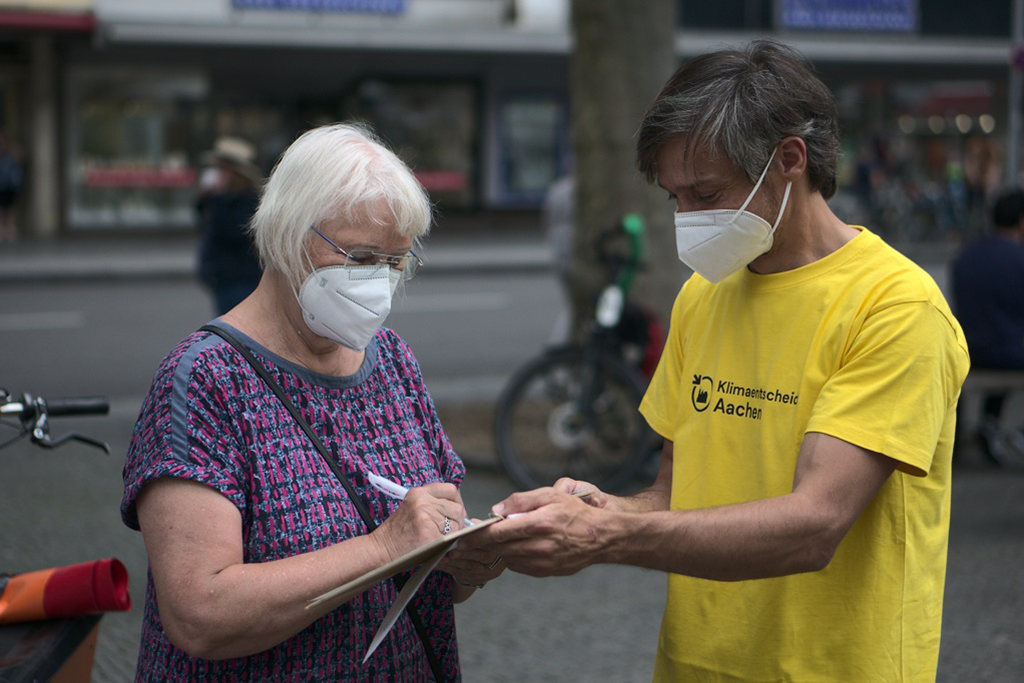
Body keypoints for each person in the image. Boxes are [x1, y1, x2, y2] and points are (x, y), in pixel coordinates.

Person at [469, 40, 969, 681]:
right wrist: (597, 508)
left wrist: (611, 539)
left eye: (706, 193)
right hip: (696, 664)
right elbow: (676, 496)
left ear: (791, 159)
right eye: (675, 197)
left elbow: (814, 525)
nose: (688, 218)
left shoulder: (895, 309)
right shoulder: (703, 295)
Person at [121, 123, 504, 680]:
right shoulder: (203, 378)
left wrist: (469, 558)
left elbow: (431, 560)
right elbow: (200, 614)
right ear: (287, 232)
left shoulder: (392, 360)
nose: (379, 282)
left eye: (396, 262)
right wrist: (383, 547)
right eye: (362, 255)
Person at [951, 187, 1024, 463]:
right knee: (1008, 343)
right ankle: (1015, 433)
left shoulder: (965, 257)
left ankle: (989, 425)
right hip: (1010, 356)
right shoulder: (1020, 259)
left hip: (970, 354)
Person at [196, 136, 264, 314]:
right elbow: (202, 222)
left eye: (222, 169)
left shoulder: (248, 201)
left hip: (241, 277)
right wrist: (205, 199)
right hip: (223, 277)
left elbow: (230, 233)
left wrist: (217, 199)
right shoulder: (223, 198)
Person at [0, 130, 24, 243]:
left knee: (9, 210)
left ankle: (10, 232)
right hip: (2, 184)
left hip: (9, 185)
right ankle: (2, 232)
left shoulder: (11, 152)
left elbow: (20, 157)